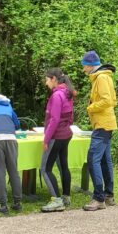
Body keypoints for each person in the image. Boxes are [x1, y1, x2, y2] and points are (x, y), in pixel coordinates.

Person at [81, 51, 117, 212]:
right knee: (104, 160)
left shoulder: (101, 78)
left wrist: (90, 107)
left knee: (92, 159)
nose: (83, 70)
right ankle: (109, 195)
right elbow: (113, 100)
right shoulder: (104, 77)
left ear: (90, 65)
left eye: (84, 66)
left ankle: (98, 198)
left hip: (102, 124)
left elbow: (107, 101)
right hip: (106, 123)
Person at [40, 68, 76, 213]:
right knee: (63, 166)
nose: (46, 82)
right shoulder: (68, 93)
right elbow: (70, 116)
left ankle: (56, 200)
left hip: (57, 136)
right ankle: (66, 197)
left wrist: (46, 139)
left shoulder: (57, 96)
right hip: (66, 134)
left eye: (47, 79)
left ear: (54, 79)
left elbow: (54, 120)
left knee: (45, 169)